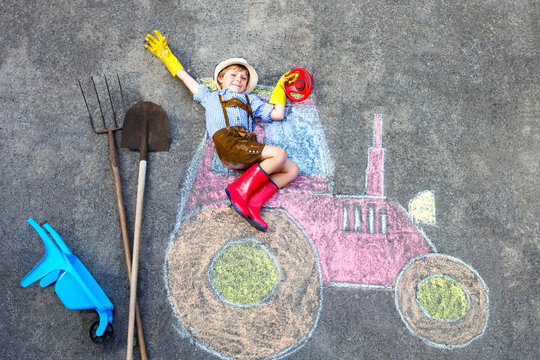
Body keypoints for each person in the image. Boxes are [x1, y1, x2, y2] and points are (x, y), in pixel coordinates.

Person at [145, 30, 299, 232]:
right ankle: (239, 191)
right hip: (227, 143)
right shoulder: (211, 97)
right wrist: (168, 57)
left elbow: (278, 113)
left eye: (244, 78)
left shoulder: (251, 100)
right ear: (220, 79)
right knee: (279, 154)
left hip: (245, 148)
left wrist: (280, 87)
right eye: (233, 75)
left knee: (292, 169)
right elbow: (186, 80)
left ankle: (253, 203)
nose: (239, 79)